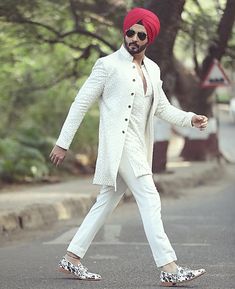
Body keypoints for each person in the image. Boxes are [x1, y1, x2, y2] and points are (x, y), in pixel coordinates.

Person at [49, 7, 208, 286]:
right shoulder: (107, 66)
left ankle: (71, 258)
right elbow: (80, 104)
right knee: (149, 197)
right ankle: (169, 268)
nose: (133, 37)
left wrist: (189, 119)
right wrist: (63, 143)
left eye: (140, 34)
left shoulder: (153, 69)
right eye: (130, 32)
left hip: (137, 146)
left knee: (107, 200)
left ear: (150, 39)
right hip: (120, 145)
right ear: (125, 31)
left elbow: (162, 108)